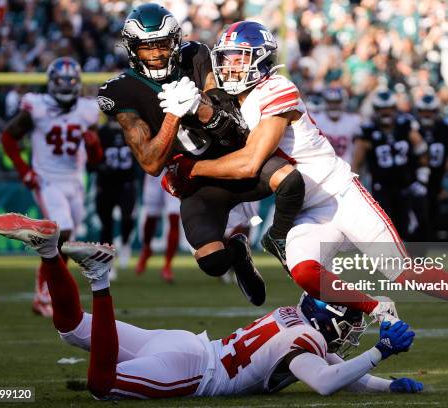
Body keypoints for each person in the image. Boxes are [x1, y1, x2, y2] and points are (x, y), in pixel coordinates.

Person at [165, 21, 448, 358]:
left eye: (236, 58)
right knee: (305, 273)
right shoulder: (237, 101)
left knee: (404, 272)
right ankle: (376, 307)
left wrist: (192, 170)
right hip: (305, 207)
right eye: (224, 59)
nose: (228, 67)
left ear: (259, 59)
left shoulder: (276, 88)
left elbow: (249, 163)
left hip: (339, 193)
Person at [0, 212, 423, 400]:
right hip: (193, 373)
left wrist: (390, 385)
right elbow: (326, 381)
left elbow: (341, 376)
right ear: (333, 320)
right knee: (101, 386)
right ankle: (99, 277)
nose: (351, 333)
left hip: (186, 347)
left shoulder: (297, 326)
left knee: (71, 327)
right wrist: (380, 352)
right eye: (351, 324)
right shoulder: (305, 343)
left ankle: (49, 252)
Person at [97, 3, 305, 305]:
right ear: (132, 49)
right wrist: (174, 114)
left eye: (162, 44)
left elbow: (225, 108)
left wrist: (201, 106)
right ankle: (237, 252)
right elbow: (151, 162)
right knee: (212, 262)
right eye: (146, 48)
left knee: (290, 181)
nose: (156, 54)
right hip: (196, 178)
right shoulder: (120, 91)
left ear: (176, 42)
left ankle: (281, 240)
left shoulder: (196, 55)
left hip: (233, 154)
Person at [1, 57, 103, 316]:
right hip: (47, 179)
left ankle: (50, 291)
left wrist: (92, 145)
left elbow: (96, 160)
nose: (67, 86)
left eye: (71, 81)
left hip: (75, 180)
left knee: (64, 241)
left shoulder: (88, 109)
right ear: (52, 83)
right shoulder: (37, 106)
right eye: (62, 81)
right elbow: (8, 137)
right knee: (63, 230)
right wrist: (25, 170)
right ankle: (42, 294)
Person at [352, 88, 429, 240]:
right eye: (381, 109)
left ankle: (410, 259)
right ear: (375, 110)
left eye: (388, 109)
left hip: (406, 184)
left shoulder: (405, 125)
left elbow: (422, 149)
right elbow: (357, 162)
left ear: (394, 109)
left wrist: (422, 178)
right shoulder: (368, 131)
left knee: (409, 224)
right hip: (381, 186)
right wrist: (356, 187)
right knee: (384, 226)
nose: (385, 113)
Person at [415, 92, 448, 241]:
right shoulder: (412, 127)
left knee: (431, 217)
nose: (427, 115)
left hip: (437, 179)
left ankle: (421, 256)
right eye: (424, 111)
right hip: (414, 180)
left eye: (430, 111)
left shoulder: (446, 126)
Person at [95, 119, 137, 274]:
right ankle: (107, 264)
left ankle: (125, 243)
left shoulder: (131, 130)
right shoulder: (101, 132)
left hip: (126, 182)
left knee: (127, 217)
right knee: (107, 225)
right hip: (106, 184)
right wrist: (99, 167)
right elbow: (92, 159)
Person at [135, 173, 181, 282]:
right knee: (151, 217)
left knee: (174, 217)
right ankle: (146, 249)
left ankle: (167, 265)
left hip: (174, 172)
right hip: (154, 173)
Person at [311, 87, 362, 165]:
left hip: (347, 167)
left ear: (343, 102)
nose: (333, 106)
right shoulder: (316, 119)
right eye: (330, 102)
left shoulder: (354, 120)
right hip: (323, 167)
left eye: (337, 102)